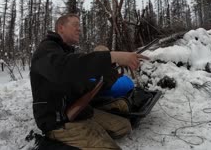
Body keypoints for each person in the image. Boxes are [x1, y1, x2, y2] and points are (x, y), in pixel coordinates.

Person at [30, 13, 148, 149]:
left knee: (124, 127)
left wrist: (107, 77)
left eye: (79, 26)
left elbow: (83, 87)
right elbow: (64, 69)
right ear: (61, 28)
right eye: (75, 25)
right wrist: (112, 56)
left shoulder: (67, 54)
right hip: (57, 120)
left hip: (78, 111)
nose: (79, 29)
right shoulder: (45, 51)